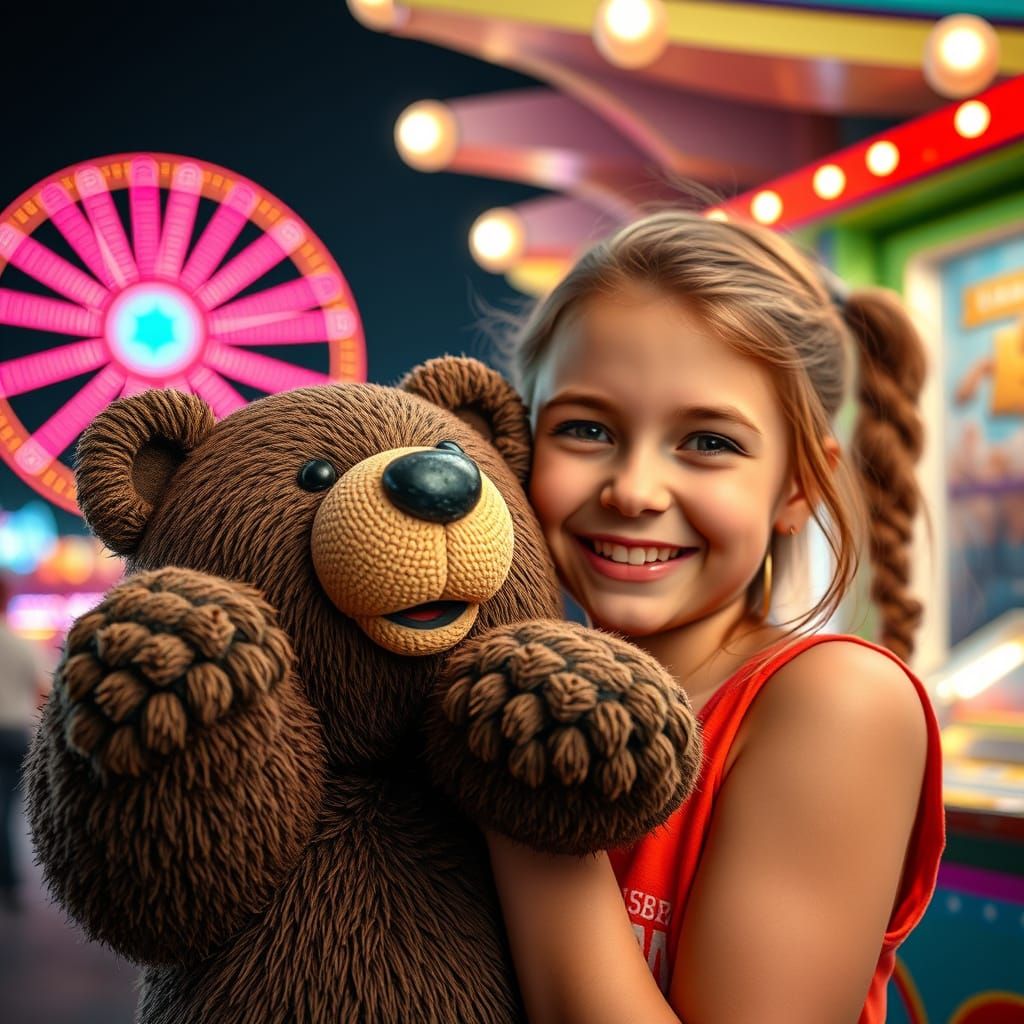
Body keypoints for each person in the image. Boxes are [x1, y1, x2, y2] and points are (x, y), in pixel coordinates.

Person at [486, 210, 945, 1024]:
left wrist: (520, 784)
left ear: (799, 485)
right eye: (584, 429)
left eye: (707, 443)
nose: (633, 490)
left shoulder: (838, 702)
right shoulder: (484, 674)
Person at [0, 575, 47, 912]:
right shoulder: (21, 643)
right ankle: (11, 882)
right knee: (9, 812)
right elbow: (45, 692)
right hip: (17, 735)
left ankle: (9, 879)